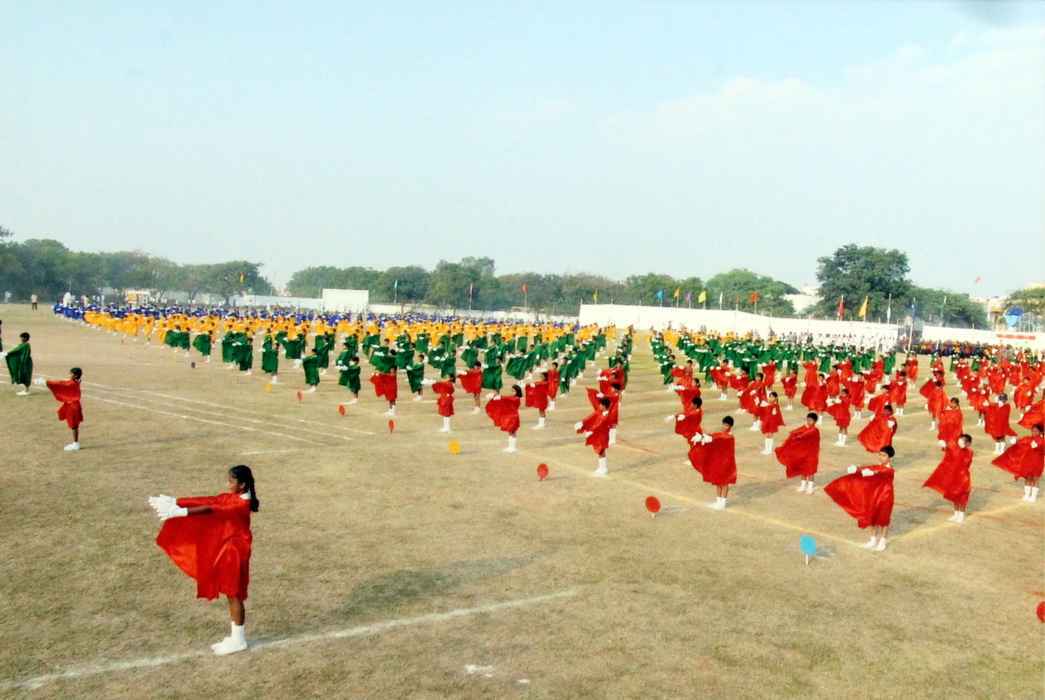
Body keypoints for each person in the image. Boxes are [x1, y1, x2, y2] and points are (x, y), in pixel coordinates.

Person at [150, 465, 259, 656]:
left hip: (235, 551)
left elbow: (212, 508)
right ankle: (236, 636)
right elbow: (211, 500)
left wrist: (182, 512)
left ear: (242, 485)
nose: (228, 484)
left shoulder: (240, 504)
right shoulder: (235, 496)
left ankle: (239, 639)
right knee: (231, 594)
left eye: (231, 481)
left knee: (234, 594)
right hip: (229, 548)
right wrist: (177, 501)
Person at [824, 445, 896, 552]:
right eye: (880, 455)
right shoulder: (878, 466)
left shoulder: (890, 470)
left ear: (890, 458)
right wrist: (857, 469)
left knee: (883, 519)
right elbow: (870, 468)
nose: (881, 457)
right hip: (874, 496)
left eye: (884, 455)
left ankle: (883, 540)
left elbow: (881, 471)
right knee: (872, 516)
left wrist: (872, 472)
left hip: (885, 496)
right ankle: (873, 539)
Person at [688, 416, 737, 511]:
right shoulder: (721, 433)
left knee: (725, 482)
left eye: (726, 425)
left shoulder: (730, 436)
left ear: (730, 426)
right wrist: (702, 437)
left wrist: (709, 437)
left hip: (727, 463)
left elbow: (719, 437)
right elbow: (714, 435)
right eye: (723, 424)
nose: (724, 427)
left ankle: (723, 503)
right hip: (719, 461)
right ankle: (718, 501)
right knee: (717, 481)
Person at [923, 433, 973, 523]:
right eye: (960, 440)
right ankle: (956, 514)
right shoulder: (956, 449)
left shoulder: (969, 452)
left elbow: (964, 460)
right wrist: (945, 446)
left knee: (962, 497)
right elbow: (950, 450)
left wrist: (949, 447)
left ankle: (961, 515)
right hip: (955, 476)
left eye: (964, 441)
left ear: (968, 443)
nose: (961, 442)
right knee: (954, 496)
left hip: (963, 478)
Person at [34, 367, 84, 451]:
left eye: (71, 374)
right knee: (74, 425)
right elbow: (64, 382)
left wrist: (45, 382)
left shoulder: (72, 383)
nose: (70, 375)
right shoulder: (77, 381)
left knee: (74, 426)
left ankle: (76, 444)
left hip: (73, 406)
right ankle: (75, 443)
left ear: (75, 375)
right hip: (73, 405)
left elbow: (60, 384)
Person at [991, 423, 1044, 502]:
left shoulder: (1043, 441)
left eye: (1036, 431)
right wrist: (1015, 441)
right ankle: (1027, 494)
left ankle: (1033, 496)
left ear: (1040, 432)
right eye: (1033, 431)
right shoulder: (1028, 438)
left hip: (1037, 463)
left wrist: (1039, 447)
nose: (1034, 433)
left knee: (1035, 479)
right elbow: (1020, 442)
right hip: (1028, 462)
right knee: (1028, 478)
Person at [774, 412, 821, 493]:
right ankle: (803, 485)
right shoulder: (804, 427)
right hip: (803, 454)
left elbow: (806, 434)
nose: (809, 422)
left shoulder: (815, 430)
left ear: (815, 421)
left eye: (811, 420)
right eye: (808, 420)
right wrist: (793, 435)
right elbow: (797, 431)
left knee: (810, 471)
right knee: (803, 470)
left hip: (812, 454)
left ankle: (810, 487)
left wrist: (798, 436)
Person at [577, 396, 613, 476]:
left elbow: (599, 425)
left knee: (601, 451)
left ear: (604, 406)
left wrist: (591, 431)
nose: (599, 406)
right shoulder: (601, 412)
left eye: (601, 405)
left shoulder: (606, 416)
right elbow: (592, 417)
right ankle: (601, 467)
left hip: (603, 435)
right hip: (599, 434)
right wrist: (582, 422)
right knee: (599, 451)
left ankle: (604, 468)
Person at [485, 384, 522, 453]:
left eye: (514, 391)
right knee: (510, 432)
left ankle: (513, 447)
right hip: (510, 417)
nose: (512, 392)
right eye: (512, 391)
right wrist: (494, 398)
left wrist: (497, 396)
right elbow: (505, 400)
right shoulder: (512, 397)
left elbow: (506, 398)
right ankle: (511, 446)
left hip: (513, 417)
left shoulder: (516, 398)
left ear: (517, 391)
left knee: (512, 432)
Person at [1, 331, 32, 395]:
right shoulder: (22, 345)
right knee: (22, 375)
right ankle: (26, 390)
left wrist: (7, 353)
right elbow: (16, 351)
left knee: (26, 375)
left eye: (22, 337)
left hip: (25, 363)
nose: (21, 339)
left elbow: (16, 351)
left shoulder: (26, 345)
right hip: (23, 362)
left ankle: (27, 391)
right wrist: (7, 353)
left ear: (25, 338)